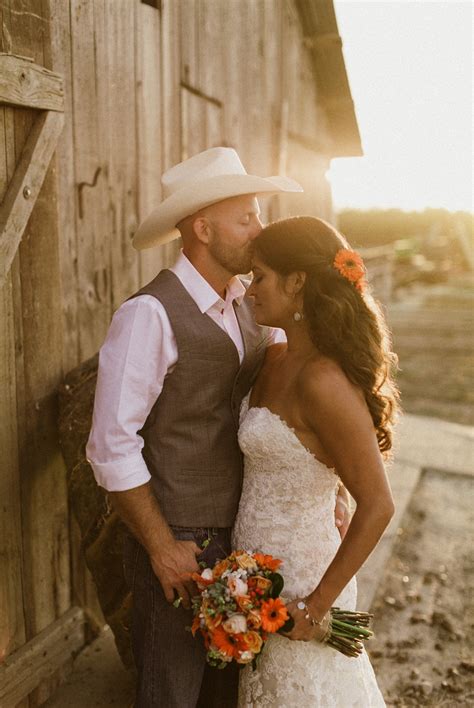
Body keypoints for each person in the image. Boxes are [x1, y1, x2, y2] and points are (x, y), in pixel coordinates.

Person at [86, 149, 351, 708]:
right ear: (202, 228)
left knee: (228, 696)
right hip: (179, 540)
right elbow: (111, 446)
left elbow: (296, 403)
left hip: (248, 537)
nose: (260, 231)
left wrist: (330, 485)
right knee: (171, 693)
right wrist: (160, 545)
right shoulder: (148, 316)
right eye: (246, 217)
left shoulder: (252, 305)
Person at [232, 216, 399, 707]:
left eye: (259, 276)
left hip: (304, 586)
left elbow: (380, 504)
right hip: (256, 584)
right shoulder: (274, 357)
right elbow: (311, 454)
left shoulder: (323, 379)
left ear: (297, 281)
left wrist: (317, 604)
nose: (249, 289)